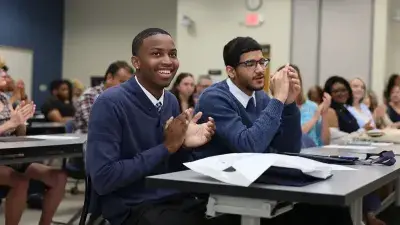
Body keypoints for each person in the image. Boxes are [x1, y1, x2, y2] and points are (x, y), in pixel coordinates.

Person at [194, 37, 353, 225]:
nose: (260, 69)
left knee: (333, 206)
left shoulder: (260, 97)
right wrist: (277, 99)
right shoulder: (214, 98)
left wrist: (290, 103)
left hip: (258, 184)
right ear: (231, 71)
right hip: (225, 190)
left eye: (262, 62)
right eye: (250, 64)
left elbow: (290, 147)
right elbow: (249, 145)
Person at [86, 28, 217, 225]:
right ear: (136, 62)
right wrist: (166, 147)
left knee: (230, 214)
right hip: (131, 206)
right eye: (157, 54)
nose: (167, 61)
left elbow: (170, 167)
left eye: (172, 54)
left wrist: (184, 146)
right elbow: (104, 178)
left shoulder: (170, 101)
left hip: (171, 199)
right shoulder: (110, 103)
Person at [0, 76, 68, 225]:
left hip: (13, 158)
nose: (4, 75)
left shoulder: (4, 100)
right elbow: (6, 127)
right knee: (20, 181)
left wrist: (21, 122)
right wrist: (8, 124)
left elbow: (20, 135)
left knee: (59, 177)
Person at [74, 61, 133, 133]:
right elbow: (95, 125)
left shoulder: (123, 97)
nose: (126, 87)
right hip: (87, 141)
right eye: (122, 82)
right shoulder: (90, 95)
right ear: (109, 78)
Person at [283, 64, 331, 146]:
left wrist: (324, 114)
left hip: (315, 153)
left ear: (299, 82)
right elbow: (293, 136)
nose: (290, 83)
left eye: (293, 78)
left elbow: (326, 142)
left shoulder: (312, 106)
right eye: (286, 80)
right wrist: (315, 118)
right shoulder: (277, 108)